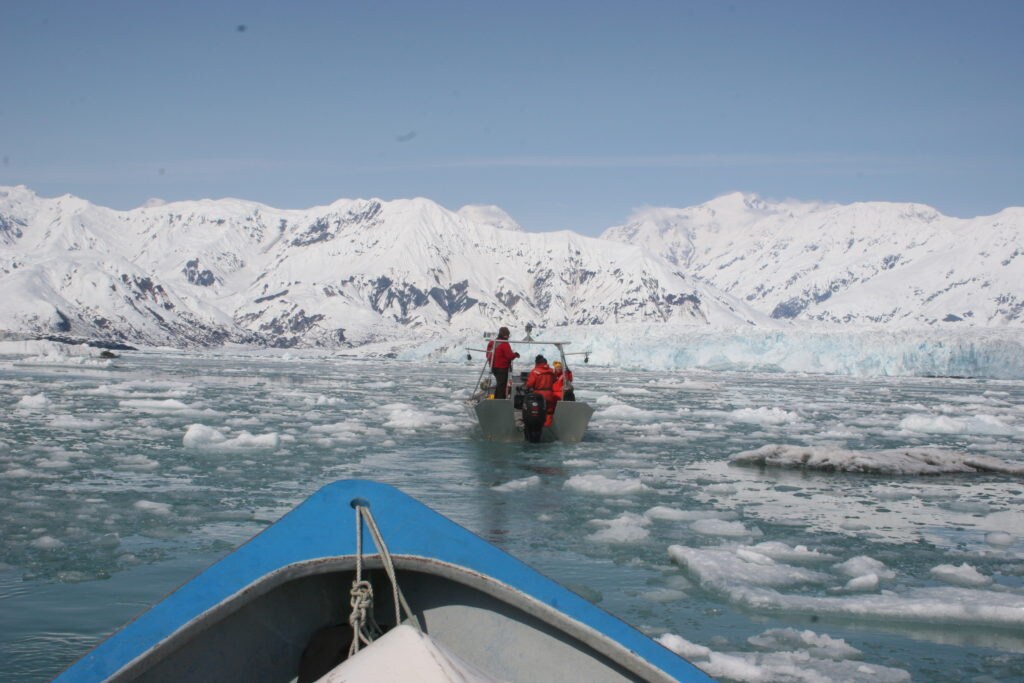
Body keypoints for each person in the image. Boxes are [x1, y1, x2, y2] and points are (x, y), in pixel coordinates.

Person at [486, 326, 519, 399]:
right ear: (506, 334)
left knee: (499, 384)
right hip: (502, 368)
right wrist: (515, 355)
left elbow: (488, 354)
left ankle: (496, 399)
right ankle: (500, 402)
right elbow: (509, 356)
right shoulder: (504, 343)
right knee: (502, 386)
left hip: (493, 367)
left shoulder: (492, 342)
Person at [525, 354, 556, 426]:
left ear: (537, 363)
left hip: (538, 395)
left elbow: (529, 384)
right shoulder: (551, 371)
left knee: (537, 411)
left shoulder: (535, 371)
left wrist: (526, 387)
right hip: (550, 394)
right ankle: (547, 427)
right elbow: (555, 381)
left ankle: (537, 427)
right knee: (549, 412)